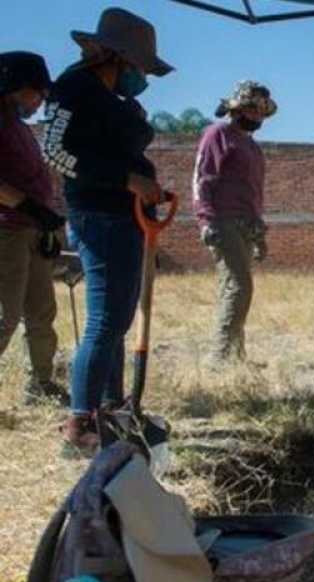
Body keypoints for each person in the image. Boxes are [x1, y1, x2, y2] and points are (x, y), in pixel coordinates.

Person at [43, 7, 173, 451]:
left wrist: (143, 185)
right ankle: (80, 425)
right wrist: (127, 180)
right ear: (114, 56)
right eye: (139, 67)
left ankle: (112, 411)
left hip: (125, 214)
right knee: (104, 321)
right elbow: (54, 152)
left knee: (117, 318)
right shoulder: (73, 88)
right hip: (99, 215)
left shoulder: (114, 99)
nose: (142, 76)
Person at [0, 52, 69, 405]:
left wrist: (49, 220)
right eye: (37, 92)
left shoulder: (20, 128)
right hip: (6, 232)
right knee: (4, 314)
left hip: (32, 230)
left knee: (41, 313)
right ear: (15, 87)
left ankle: (40, 385)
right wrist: (30, 208)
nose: (40, 101)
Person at [193, 80, 276, 362]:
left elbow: (253, 192)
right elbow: (202, 178)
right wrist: (206, 219)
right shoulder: (217, 134)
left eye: (262, 113)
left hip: (246, 224)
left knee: (233, 288)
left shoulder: (252, 147)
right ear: (238, 108)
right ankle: (220, 359)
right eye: (252, 110)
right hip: (222, 221)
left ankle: (236, 356)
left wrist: (258, 232)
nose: (257, 117)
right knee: (239, 286)